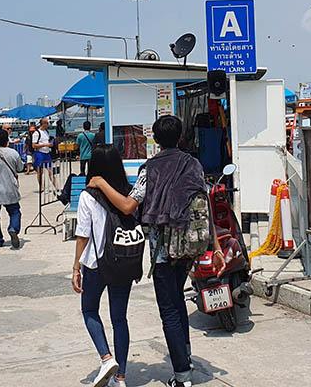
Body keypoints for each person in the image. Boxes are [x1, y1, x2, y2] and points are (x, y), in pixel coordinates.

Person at [89, 115, 224, 387]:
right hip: (189, 245)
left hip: (163, 251)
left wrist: (101, 183)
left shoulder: (149, 169)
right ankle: (184, 356)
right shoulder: (193, 164)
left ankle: (182, 375)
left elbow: (129, 206)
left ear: (156, 140)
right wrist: (216, 244)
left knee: (170, 310)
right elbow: (205, 204)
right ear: (181, 136)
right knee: (177, 301)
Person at [72, 145, 135, 387]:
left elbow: (82, 235)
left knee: (89, 310)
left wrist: (76, 267)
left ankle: (106, 357)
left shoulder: (88, 195)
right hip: (123, 260)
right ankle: (121, 378)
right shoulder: (127, 193)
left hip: (96, 263)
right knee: (120, 319)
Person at [31, 117, 58, 195]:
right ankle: (41, 187)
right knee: (40, 172)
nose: (48, 124)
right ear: (43, 124)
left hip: (47, 153)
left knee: (51, 171)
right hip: (40, 153)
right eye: (47, 123)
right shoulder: (36, 133)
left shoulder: (46, 132)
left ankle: (56, 187)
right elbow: (34, 145)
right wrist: (45, 144)